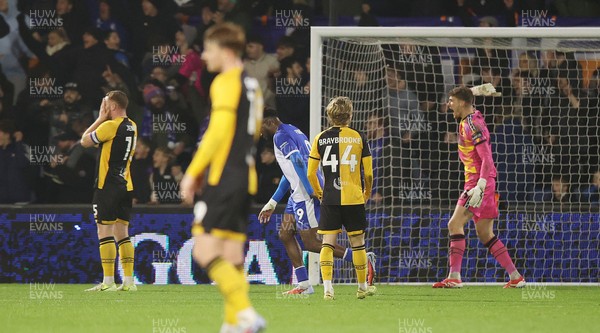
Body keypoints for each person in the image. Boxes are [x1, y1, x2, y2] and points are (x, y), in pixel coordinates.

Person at [179, 23, 265, 333]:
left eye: (208, 49)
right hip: (246, 178)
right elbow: (251, 134)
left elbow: (217, 132)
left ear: (225, 51)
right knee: (232, 256)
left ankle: (245, 313)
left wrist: (193, 172)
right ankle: (233, 325)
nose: (203, 56)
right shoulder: (253, 85)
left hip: (225, 177)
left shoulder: (225, 81)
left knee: (204, 250)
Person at [259, 109, 376, 295]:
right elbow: (289, 171)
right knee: (285, 234)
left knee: (312, 243)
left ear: (269, 122)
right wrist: (273, 202)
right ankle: (304, 284)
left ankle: (360, 258)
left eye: (260, 126)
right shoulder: (293, 130)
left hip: (305, 195)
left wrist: (310, 189)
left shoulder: (280, 136)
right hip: (296, 194)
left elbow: (298, 160)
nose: (259, 132)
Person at [433, 86, 525, 289]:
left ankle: (454, 276)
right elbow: (466, 99)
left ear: (463, 103)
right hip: (484, 182)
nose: (449, 105)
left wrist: (480, 186)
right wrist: (474, 90)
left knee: (454, 224)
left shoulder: (471, 125)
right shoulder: (472, 117)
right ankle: (516, 276)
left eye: (452, 101)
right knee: (485, 233)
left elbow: (487, 158)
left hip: (479, 183)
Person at [307, 96, 377, 300]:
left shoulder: (320, 138)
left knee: (327, 243)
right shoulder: (359, 137)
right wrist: (367, 192)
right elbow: (369, 173)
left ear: (329, 116)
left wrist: (319, 192)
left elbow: (311, 173)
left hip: (330, 198)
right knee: (358, 243)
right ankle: (362, 287)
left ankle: (328, 289)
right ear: (350, 115)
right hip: (354, 198)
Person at [80, 90, 138, 292]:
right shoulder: (132, 125)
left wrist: (99, 119)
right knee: (123, 233)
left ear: (112, 106)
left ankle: (108, 281)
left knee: (104, 232)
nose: (103, 108)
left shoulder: (110, 126)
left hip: (107, 186)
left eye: (105, 104)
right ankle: (129, 282)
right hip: (126, 185)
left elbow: (84, 141)